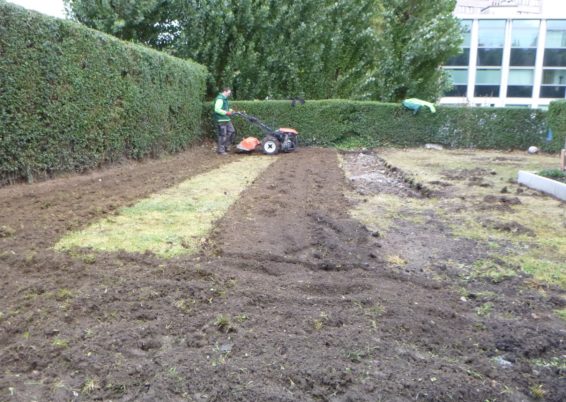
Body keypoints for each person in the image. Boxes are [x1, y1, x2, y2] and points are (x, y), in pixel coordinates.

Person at [213, 87, 235, 155]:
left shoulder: (225, 99)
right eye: (228, 93)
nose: (229, 94)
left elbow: (225, 108)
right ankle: (221, 150)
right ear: (224, 91)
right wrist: (226, 113)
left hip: (226, 119)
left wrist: (231, 111)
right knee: (223, 135)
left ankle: (226, 146)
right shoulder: (220, 98)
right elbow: (217, 109)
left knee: (232, 131)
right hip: (221, 120)